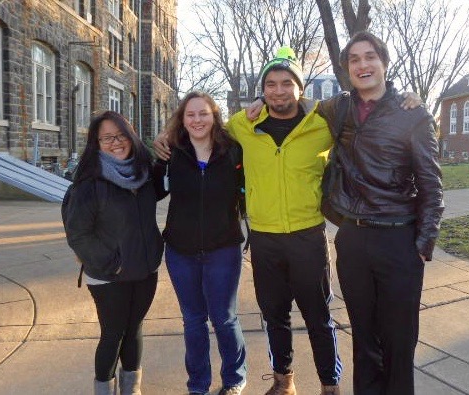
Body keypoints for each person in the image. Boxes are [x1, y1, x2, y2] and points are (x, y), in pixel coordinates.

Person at [156, 48, 342, 395]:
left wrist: (401, 99)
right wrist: (167, 138)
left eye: (287, 83)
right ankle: (283, 382)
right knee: (275, 317)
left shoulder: (322, 124)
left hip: (308, 236)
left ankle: (330, 385)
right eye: (270, 85)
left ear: (300, 87)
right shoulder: (244, 126)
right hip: (264, 239)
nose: (278, 90)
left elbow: (360, 119)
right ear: (263, 89)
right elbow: (203, 126)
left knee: (318, 316)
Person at [319, 31, 444, 395]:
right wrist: (260, 99)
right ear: (347, 70)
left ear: (384, 63)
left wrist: (425, 241)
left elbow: (432, 184)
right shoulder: (338, 109)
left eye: (370, 57)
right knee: (364, 337)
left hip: (399, 238)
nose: (363, 65)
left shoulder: (413, 114)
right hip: (354, 238)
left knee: (399, 339)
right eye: (354, 60)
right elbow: (290, 105)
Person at [62, 111, 165, 395]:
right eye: (107, 138)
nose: (116, 142)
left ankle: (131, 389)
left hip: (145, 270)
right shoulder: (89, 182)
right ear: (96, 143)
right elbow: (78, 234)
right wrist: (111, 264)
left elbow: (168, 177)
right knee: (113, 333)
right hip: (109, 275)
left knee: (134, 329)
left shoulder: (143, 174)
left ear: (130, 137)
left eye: (120, 136)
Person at [155, 91, 247, 395]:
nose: (197, 120)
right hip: (181, 251)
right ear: (182, 119)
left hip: (224, 248)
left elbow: (247, 193)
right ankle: (198, 386)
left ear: (214, 116)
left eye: (203, 113)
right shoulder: (172, 152)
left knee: (224, 318)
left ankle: (234, 380)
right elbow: (155, 191)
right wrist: (158, 159)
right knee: (193, 321)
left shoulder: (233, 151)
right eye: (190, 114)